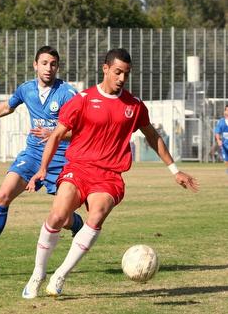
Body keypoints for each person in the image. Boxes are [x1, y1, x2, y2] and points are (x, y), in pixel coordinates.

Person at [21, 48, 199, 299]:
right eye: (117, 72)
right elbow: (57, 135)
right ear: (105, 69)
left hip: (109, 175)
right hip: (78, 168)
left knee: (97, 216)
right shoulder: (82, 99)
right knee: (57, 216)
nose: (121, 79)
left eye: (126, 74)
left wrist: (174, 170)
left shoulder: (134, 105)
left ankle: (61, 273)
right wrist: (42, 169)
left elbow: (152, 136)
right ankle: (38, 273)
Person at [0, 46, 83, 272]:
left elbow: (82, 130)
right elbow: (7, 107)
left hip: (60, 159)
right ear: (35, 65)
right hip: (32, 155)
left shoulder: (68, 94)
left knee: (62, 217)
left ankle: (77, 224)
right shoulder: (26, 89)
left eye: (53, 64)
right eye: (45, 63)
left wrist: (54, 134)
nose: (49, 68)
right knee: (2, 195)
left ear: (58, 67)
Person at [214, 104, 228, 173]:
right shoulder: (221, 121)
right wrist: (218, 140)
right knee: (226, 158)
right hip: (225, 144)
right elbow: (217, 132)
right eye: (226, 110)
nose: (227, 112)